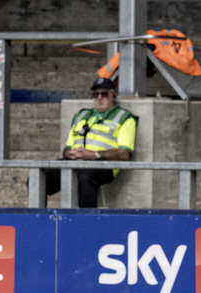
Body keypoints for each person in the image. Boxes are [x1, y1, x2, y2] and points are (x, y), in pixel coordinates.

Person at [45, 78, 138, 208]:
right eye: (96, 94)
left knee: (86, 177)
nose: (99, 98)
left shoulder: (125, 118)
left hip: (105, 165)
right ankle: (39, 222)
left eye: (104, 94)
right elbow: (66, 149)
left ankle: (86, 224)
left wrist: (94, 155)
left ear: (114, 94)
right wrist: (71, 153)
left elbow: (124, 154)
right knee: (40, 176)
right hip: (76, 162)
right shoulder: (81, 115)